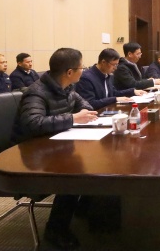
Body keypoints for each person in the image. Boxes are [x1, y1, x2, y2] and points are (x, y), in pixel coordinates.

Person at [13, 48, 98, 250]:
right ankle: (55, 230)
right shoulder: (36, 92)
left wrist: (84, 113)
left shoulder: (67, 87)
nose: (84, 70)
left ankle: (84, 209)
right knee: (74, 174)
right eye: (82, 67)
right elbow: (33, 123)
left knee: (92, 162)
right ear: (69, 72)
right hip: (31, 155)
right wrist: (72, 118)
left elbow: (84, 105)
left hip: (55, 145)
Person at [76, 48, 146, 110]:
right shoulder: (86, 78)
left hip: (107, 110)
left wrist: (133, 91)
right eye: (114, 65)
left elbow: (113, 93)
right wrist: (115, 99)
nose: (115, 68)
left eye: (117, 65)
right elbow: (90, 103)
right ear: (103, 62)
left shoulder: (107, 74)